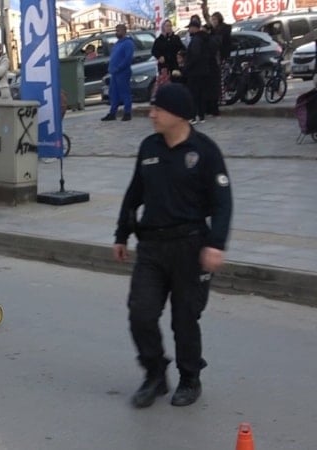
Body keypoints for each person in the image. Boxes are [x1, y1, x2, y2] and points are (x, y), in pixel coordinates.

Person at [113, 83, 233, 409]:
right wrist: (121, 235)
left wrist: (216, 244)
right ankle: (154, 374)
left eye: (158, 109)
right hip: (152, 247)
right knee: (141, 313)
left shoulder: (205, 151)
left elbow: (223, 203)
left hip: (190, 247)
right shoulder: (149, 147)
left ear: (178, 114)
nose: (151, 115)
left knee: (184, 319)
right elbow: (134, 194)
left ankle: (190, 378)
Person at [184, 19, 216, 123]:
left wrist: (187, 66)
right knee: (201, 94)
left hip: (195, 72)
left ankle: (193, 116)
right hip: (204, 70)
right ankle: (201, 116)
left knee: (193, 94)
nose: (189, 30)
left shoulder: (196, 40)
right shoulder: (204, 38)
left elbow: (195, 56)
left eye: (190, 28)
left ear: (194, 28)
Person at [102, 24, 134, 122]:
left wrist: (119, 67)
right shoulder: (117, 44)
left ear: (124, 31)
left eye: (118, 30)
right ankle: (112, 113)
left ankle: (127, 113)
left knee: (125, 92)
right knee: (113, 93)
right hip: (114, 73)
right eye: (116, 30)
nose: (116, 33)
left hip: (123, 72)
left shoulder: (128, 43)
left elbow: (128, 58)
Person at [151, 20, 185, 91]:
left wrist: (180, 55)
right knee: (166, 86)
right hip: (164, 66)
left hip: (174, 65)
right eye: (167, 26)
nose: (169, 27)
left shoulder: (176, 38)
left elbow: (182, 48)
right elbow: (154, 51)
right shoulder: (159, 40)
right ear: (163, 27)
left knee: (176, 85)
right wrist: (159, 56)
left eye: (170, 26)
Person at [211, 12, 232, 107]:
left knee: (221, 79)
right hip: (222, 56)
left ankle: (222, 99)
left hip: (221, 56)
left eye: (214, 19)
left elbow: (219, 44)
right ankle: (221, 98)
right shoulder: (217, 30)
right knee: (220, 79)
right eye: (212, 20)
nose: (213, 22)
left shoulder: (221, 30)